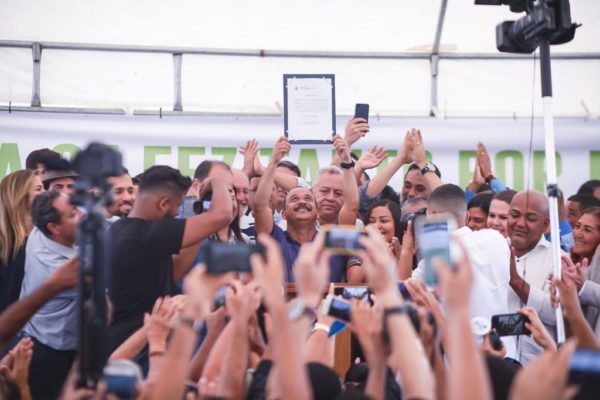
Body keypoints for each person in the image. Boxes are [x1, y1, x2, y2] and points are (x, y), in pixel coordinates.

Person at [107, 165, 233, 354]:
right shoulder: (151, 234)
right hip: (137, 350)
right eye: (178, 206)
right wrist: (218, 181)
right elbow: (223, 215)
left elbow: (175, 271)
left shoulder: (120, 230)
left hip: (126, 345)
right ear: (163, 204)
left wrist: (197, 217)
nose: (176, 214)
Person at [411, 184, 513, 352]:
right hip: (504, 352)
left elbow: (404, 297)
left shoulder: (435, 258)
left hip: (463, 358)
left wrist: (407, 251)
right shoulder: (496, 239)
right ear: (466, 216)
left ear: (431, 215)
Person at [253, 136, 362, 283]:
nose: (302, 202)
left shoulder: (334, 240)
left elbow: (352, 206)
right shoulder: (275, 239)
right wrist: (273, 163)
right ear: (284, 214)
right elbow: (260, 206)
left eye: (308, 199)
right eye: (294, 199)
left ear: (317, 214)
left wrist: (347, 162)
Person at [18, 191, 83, 399]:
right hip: (50, 355)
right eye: (73, 213)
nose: (82, 215)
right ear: (54, 228)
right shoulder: (60, 271)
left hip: (39, 337)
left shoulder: (40, 233)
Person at [506, 190, 557, 365]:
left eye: (530, 218)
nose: (520, 223)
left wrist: (515, 280)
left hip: (536, 369)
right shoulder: (492, 250)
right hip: (496, 364)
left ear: (546, 225)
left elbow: (555, 313)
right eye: (514, 215)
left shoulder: (558, 259)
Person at [0, 170, 44, 313]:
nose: (46, 193)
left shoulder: (44, 241)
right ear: (20, 195)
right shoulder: (5, 245)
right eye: (39, 189)